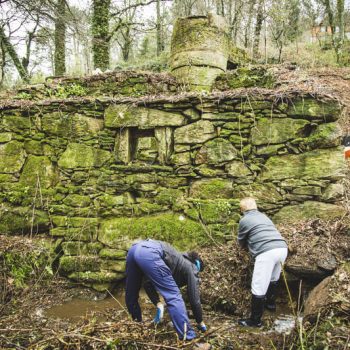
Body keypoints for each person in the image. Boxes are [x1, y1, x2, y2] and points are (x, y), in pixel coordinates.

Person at [125, 239, 207, 341]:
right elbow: (194, 299)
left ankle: (136, 325)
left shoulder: (176, 259)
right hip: (150, 251)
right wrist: (200, 321)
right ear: (197, 265)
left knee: (131, 292)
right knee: (174, 295)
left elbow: (147, 283)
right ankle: (188, 336)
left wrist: (158, 303)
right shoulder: (192, 267)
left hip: (134, 249)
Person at [237, 197, 288, 327]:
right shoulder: (264, 216)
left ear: (242, 209)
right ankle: (270, 306)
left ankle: (255, 321)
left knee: (258, 285)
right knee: (273, 278)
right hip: (282, 248)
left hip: (266, 252)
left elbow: (241, 241)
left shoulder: (244, 220)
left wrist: (244, 247)